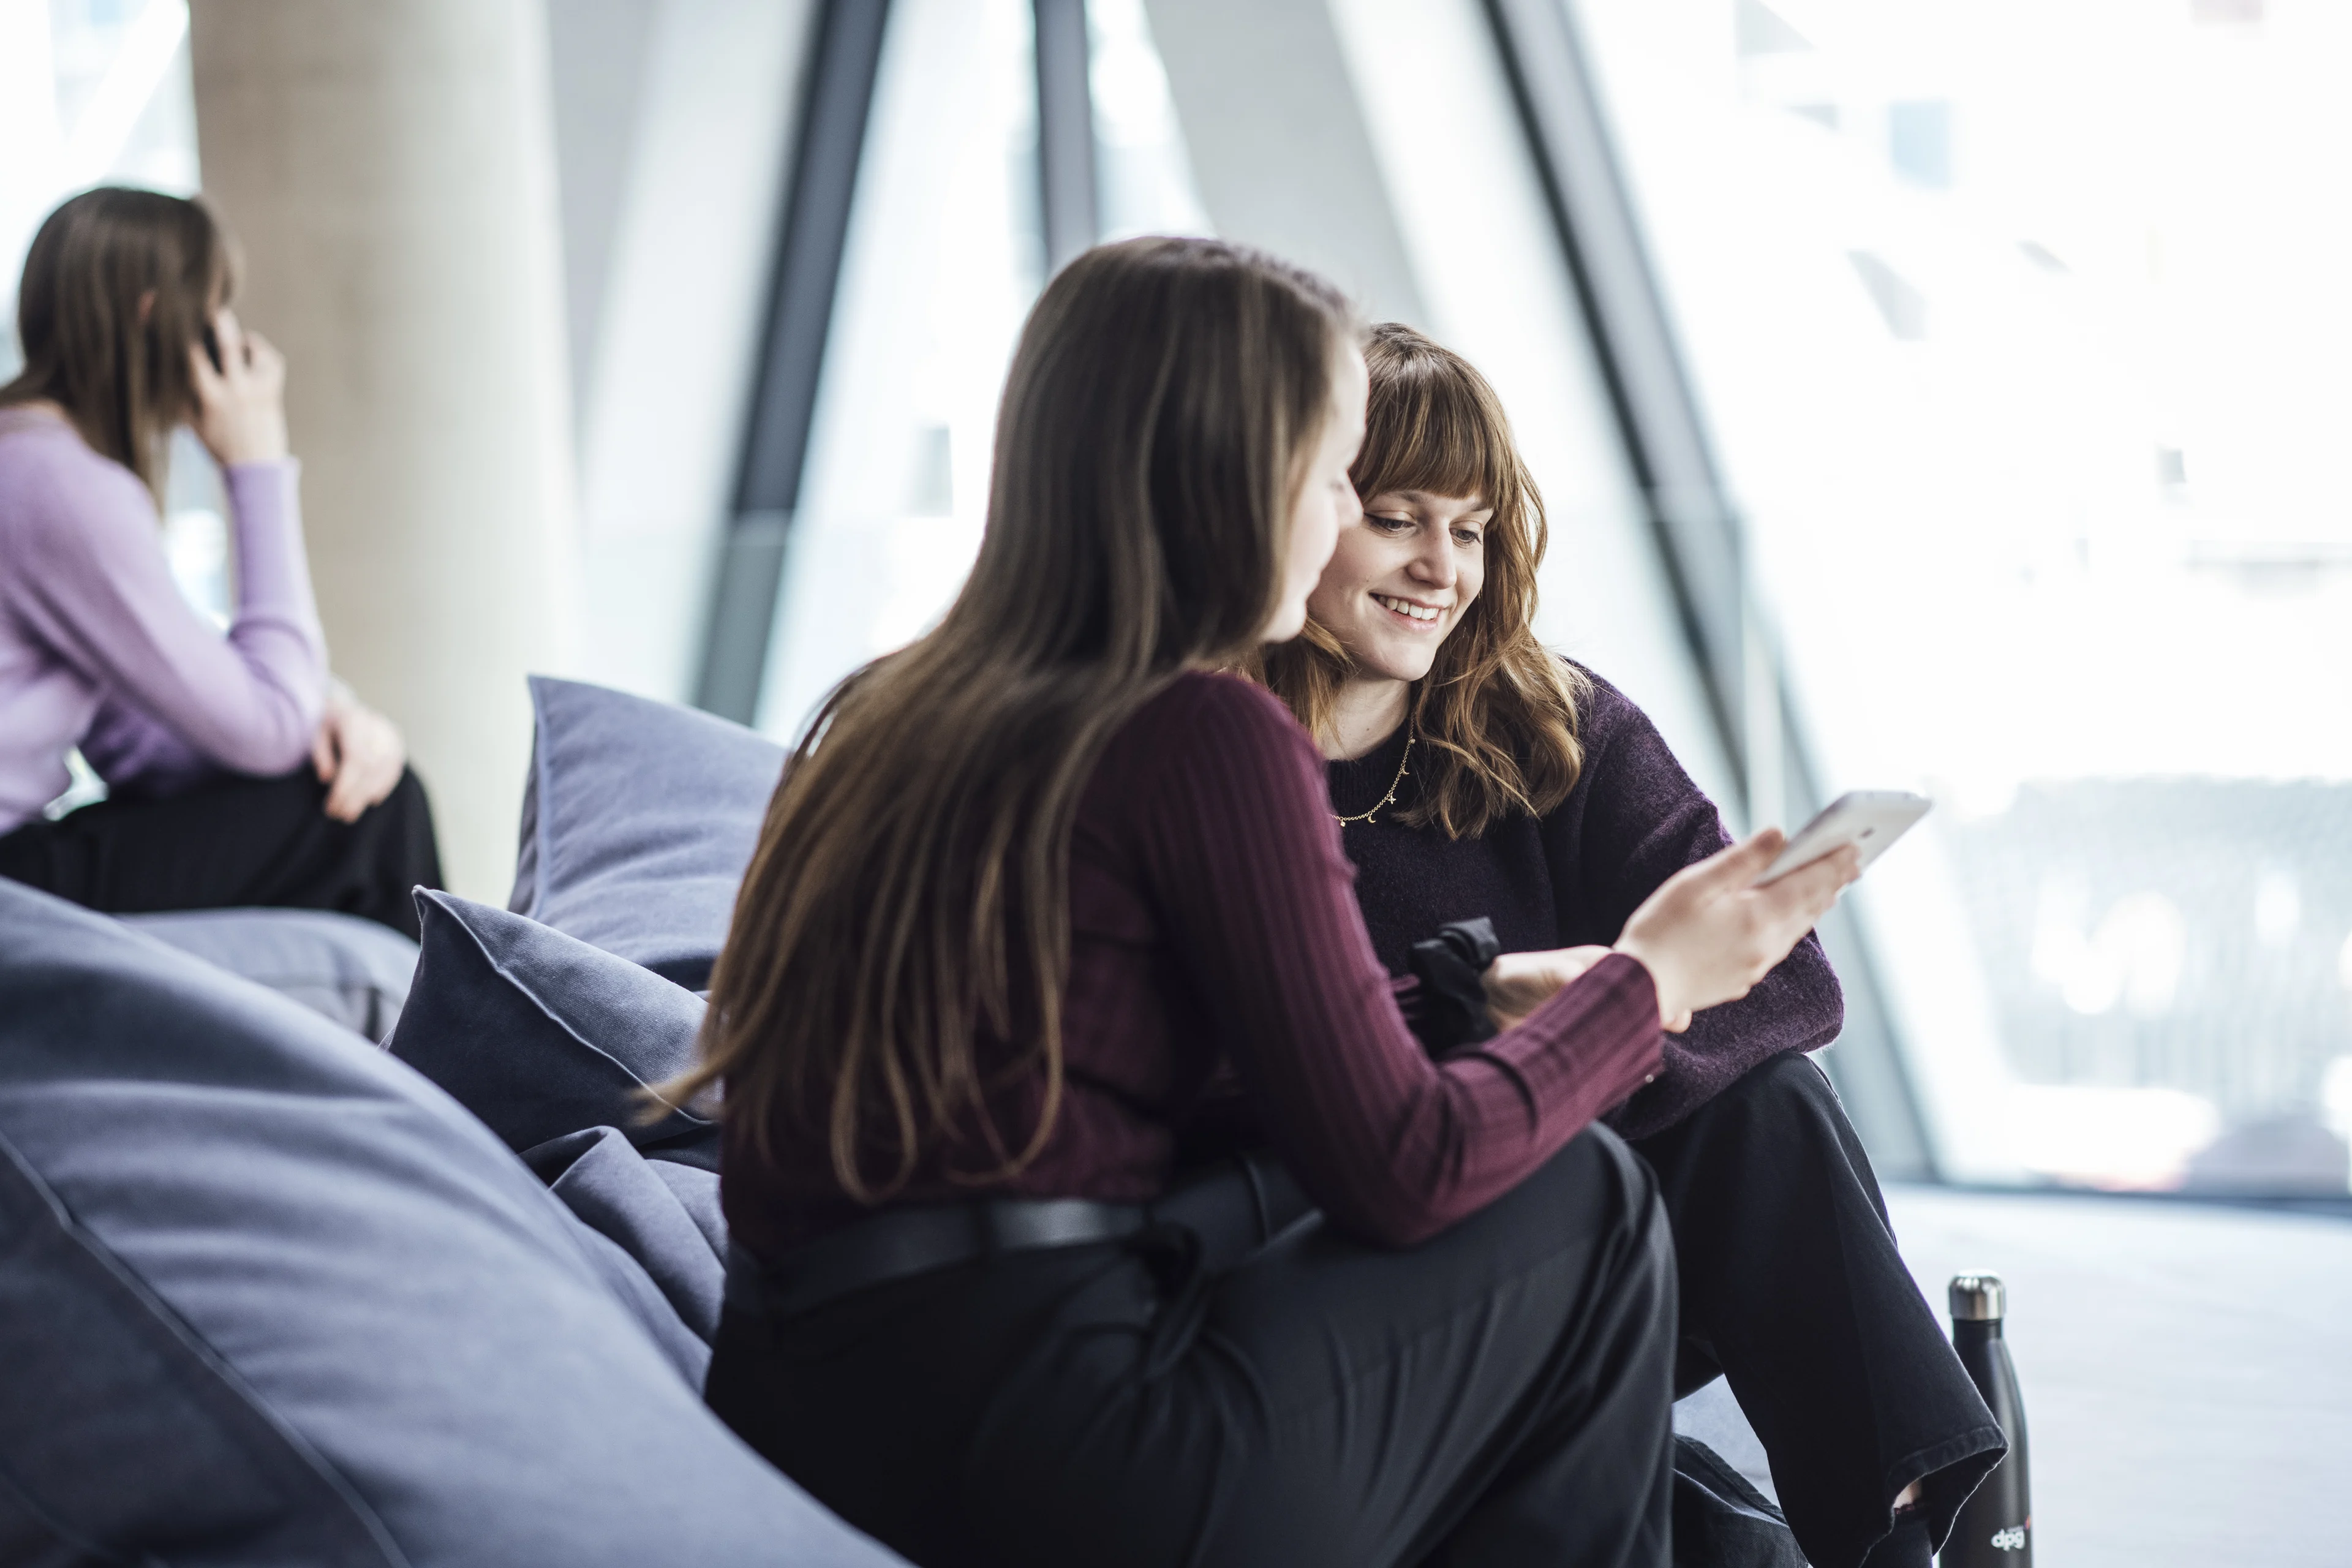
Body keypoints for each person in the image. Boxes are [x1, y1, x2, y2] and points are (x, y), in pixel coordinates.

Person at [688, 236, 1856, 1568]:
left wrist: (1472, 1005)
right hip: (1052, 1449)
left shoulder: (883, 712)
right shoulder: (1200, 729)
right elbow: (1405, 1168)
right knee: (1584, 1200)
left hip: (801, 1414)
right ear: (1237, 471)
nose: (1339, 531)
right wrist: (1647, 982)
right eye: (1338, 475)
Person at [1252, 322, 2005, 1568]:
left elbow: (1785, 989)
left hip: (1575, 1237)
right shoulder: (1217, 765)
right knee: (1699, 1529)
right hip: (1350, 1277)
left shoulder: (1551, 724)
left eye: (1474, 527)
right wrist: (1522, 1025)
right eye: (1399, 517)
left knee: (1771, 1109)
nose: (1443, 565)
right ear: (1305, 513)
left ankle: (1905, 1540)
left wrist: (1572, 1057)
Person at [0, 187, 440, 940]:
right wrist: (258, 465)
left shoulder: (31, 462)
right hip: (12, 882)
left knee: (358, 792)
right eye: (217, 308)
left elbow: (142, 744)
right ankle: (455, 1057)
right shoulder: (57, 483)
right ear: (153, 316)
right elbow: (267, 725)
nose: (235, 341)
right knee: (375, 816)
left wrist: (333, 719)